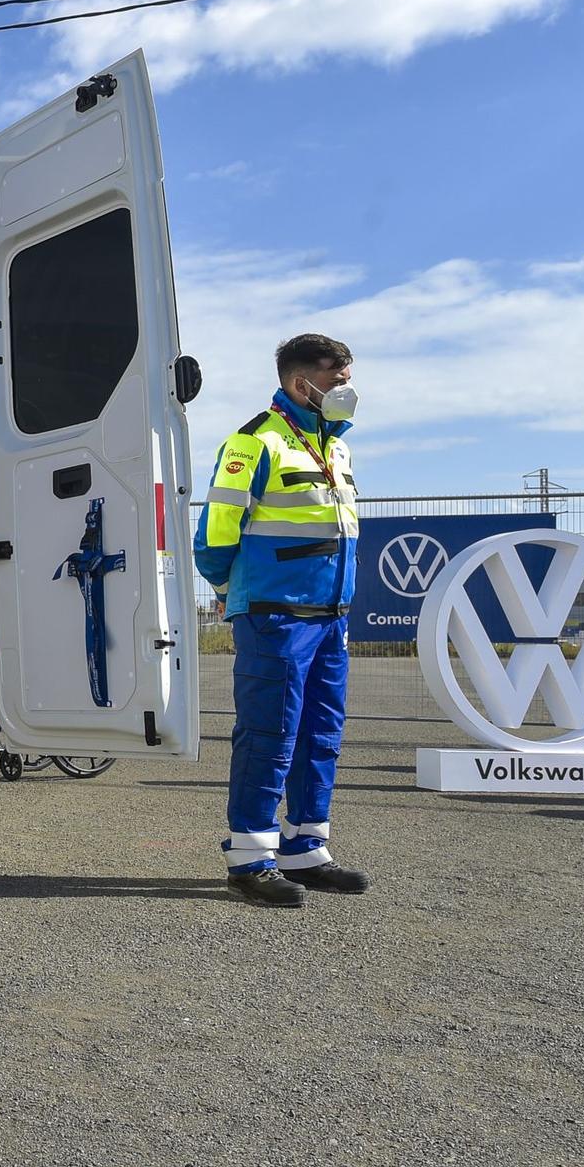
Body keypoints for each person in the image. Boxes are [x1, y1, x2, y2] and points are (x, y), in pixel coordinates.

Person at [193, 333, 368, 908]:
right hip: (276, 619)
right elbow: (215, 538)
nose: (347, 389)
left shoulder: (335, 448)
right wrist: (237, 593)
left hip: (328, 620)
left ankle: (305, 849)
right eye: (337, 379)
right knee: (270, 736)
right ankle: (249, 859)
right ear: (301, 384)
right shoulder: (254, 443)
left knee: (321, 735)